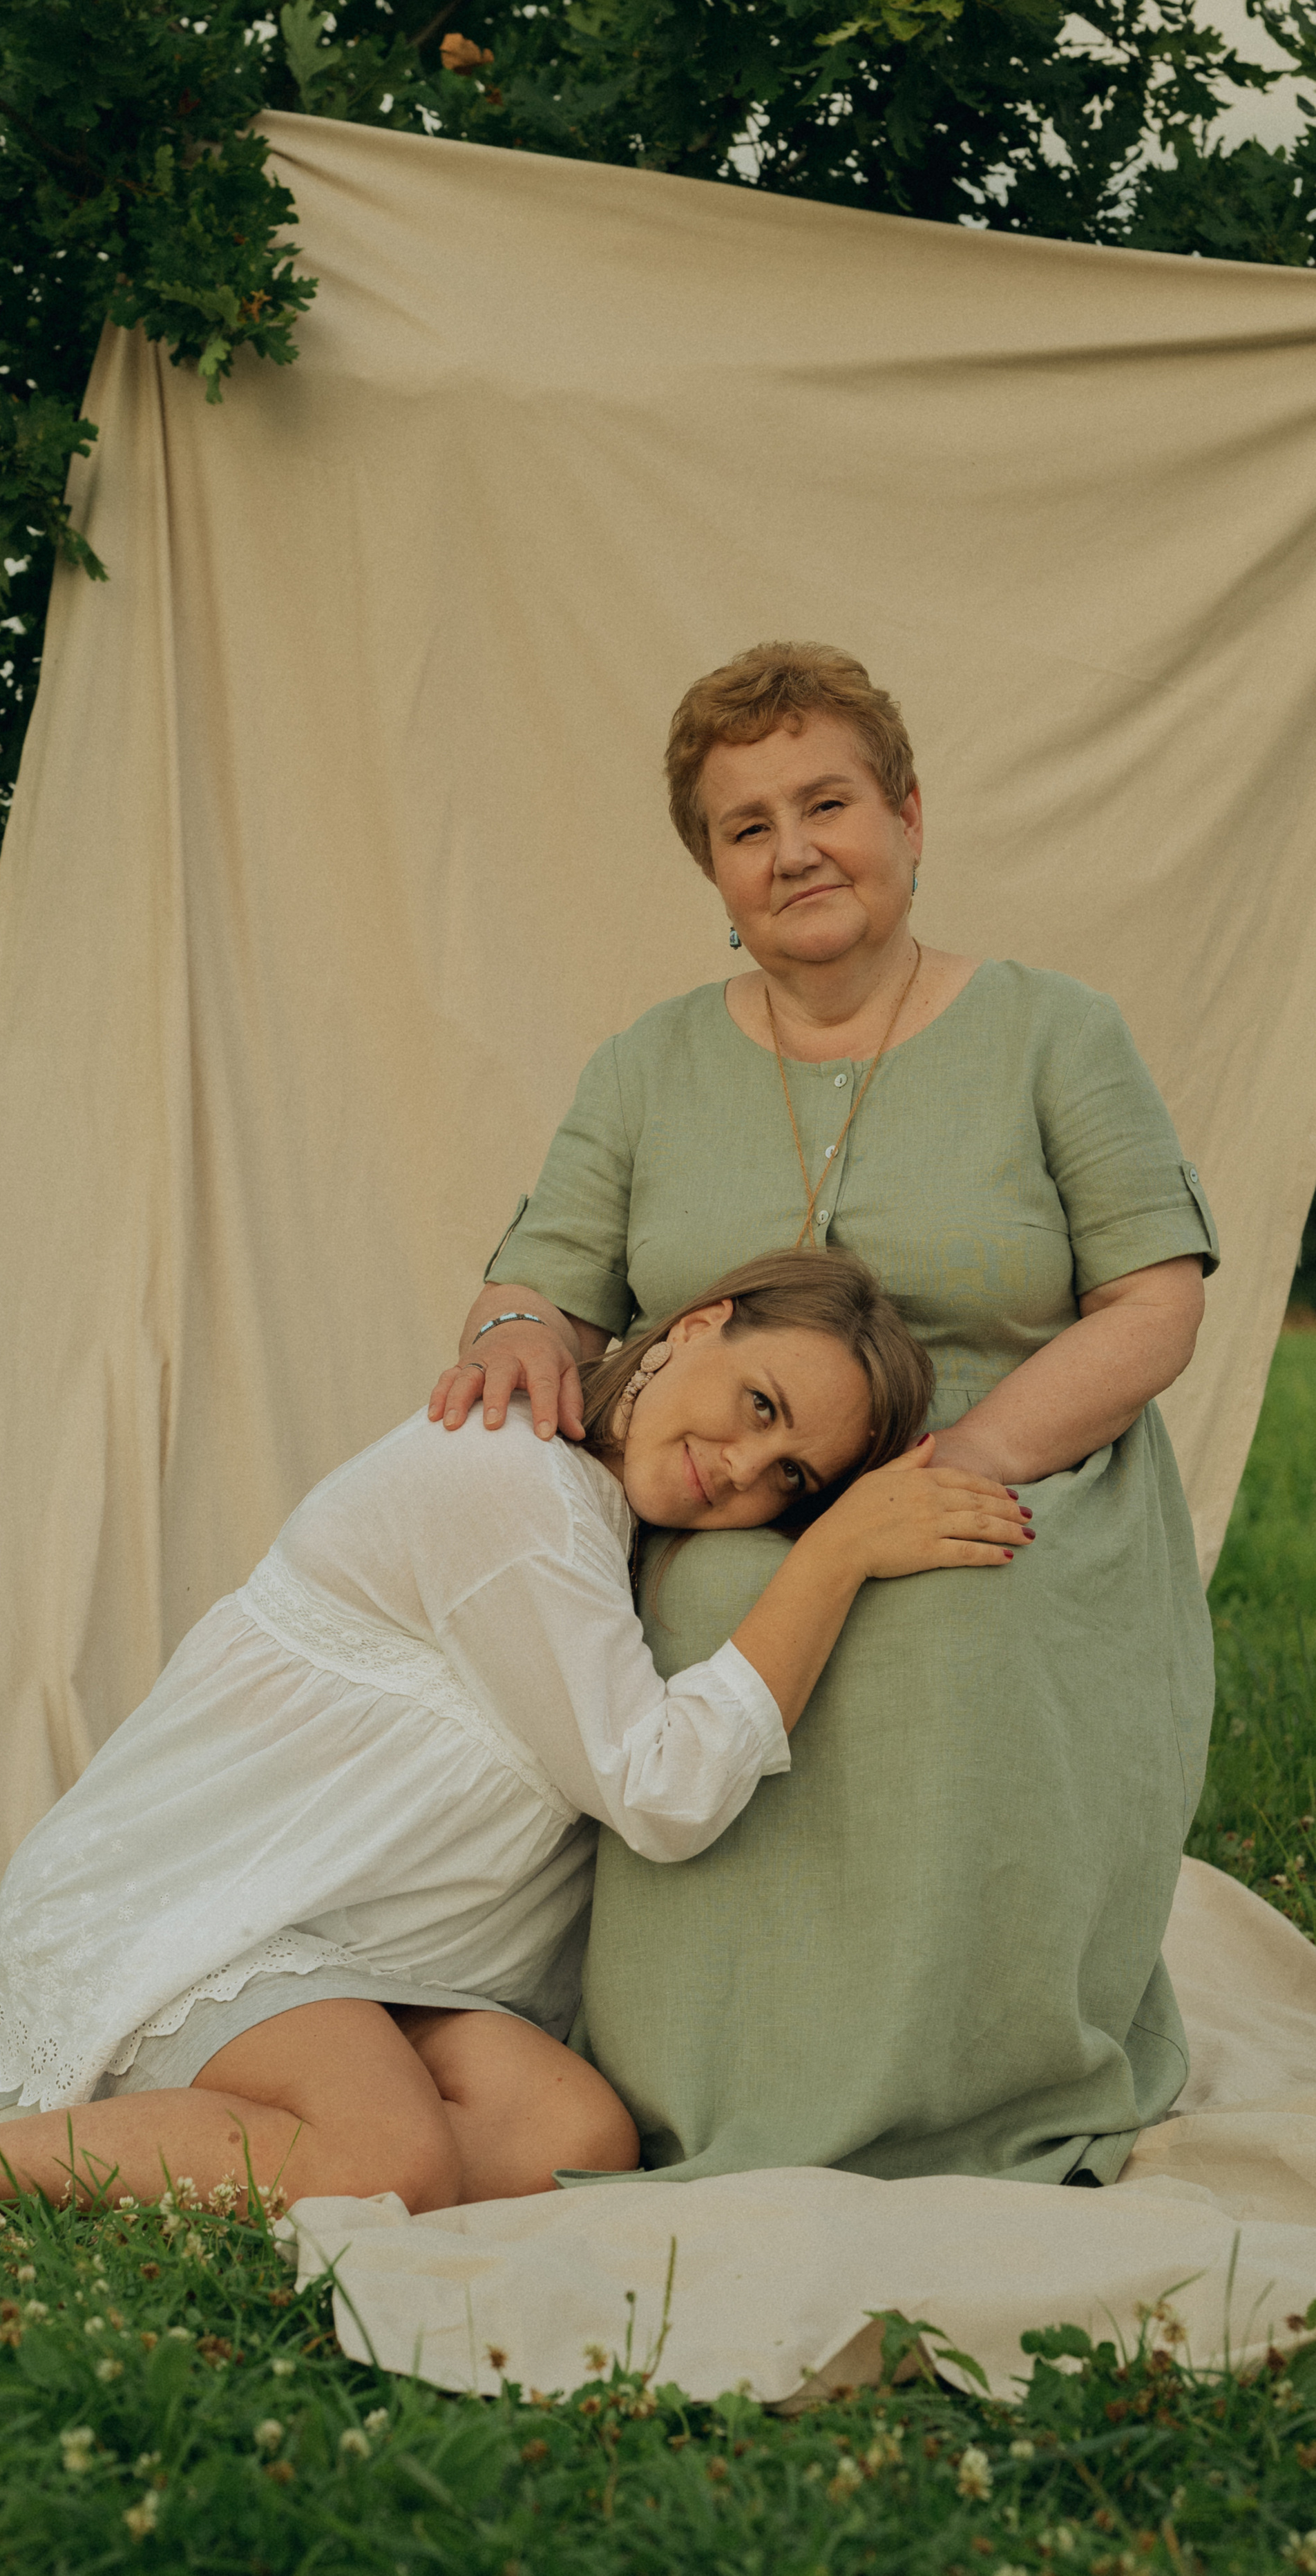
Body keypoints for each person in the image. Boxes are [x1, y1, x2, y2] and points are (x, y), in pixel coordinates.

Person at [0, 1252, 1025, 2220]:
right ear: (693, 1326)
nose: (740, 1464)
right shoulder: (510, 1488)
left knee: (570, 2133)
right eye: (758, 1403)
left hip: (359, 1952)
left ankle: (171, 2150)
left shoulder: (591, 1526)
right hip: (209, 1913)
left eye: (790, 1476)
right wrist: (830, 1553)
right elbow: (657, 1789)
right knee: (389, 2167)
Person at [432, 640, 1217, 2190]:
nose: (794, 849)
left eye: (826, 802)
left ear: (907, 817)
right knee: (720, 1592)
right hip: (736, 1478)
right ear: (714, 876)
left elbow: (1153, 1300)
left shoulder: (1056, 1031)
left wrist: (957, 1464)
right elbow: (532, 1286)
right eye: (745, 827)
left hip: (1019, 1466)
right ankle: (702, 2083)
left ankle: (975, 2086)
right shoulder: (644, 1065)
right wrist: (515, 1338)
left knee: (942, 1605)